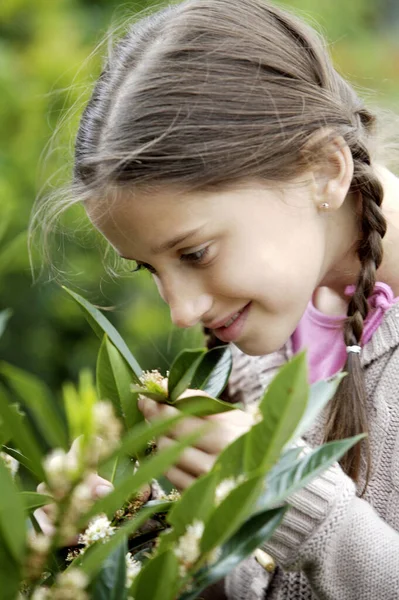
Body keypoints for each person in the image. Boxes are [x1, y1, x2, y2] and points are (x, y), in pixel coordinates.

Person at [34, 0, 399, 598]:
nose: (180, 311)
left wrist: (292, 495)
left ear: (323, 170)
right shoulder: (265, 336)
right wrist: (141, 525)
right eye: (148, 267)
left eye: (196, 253)